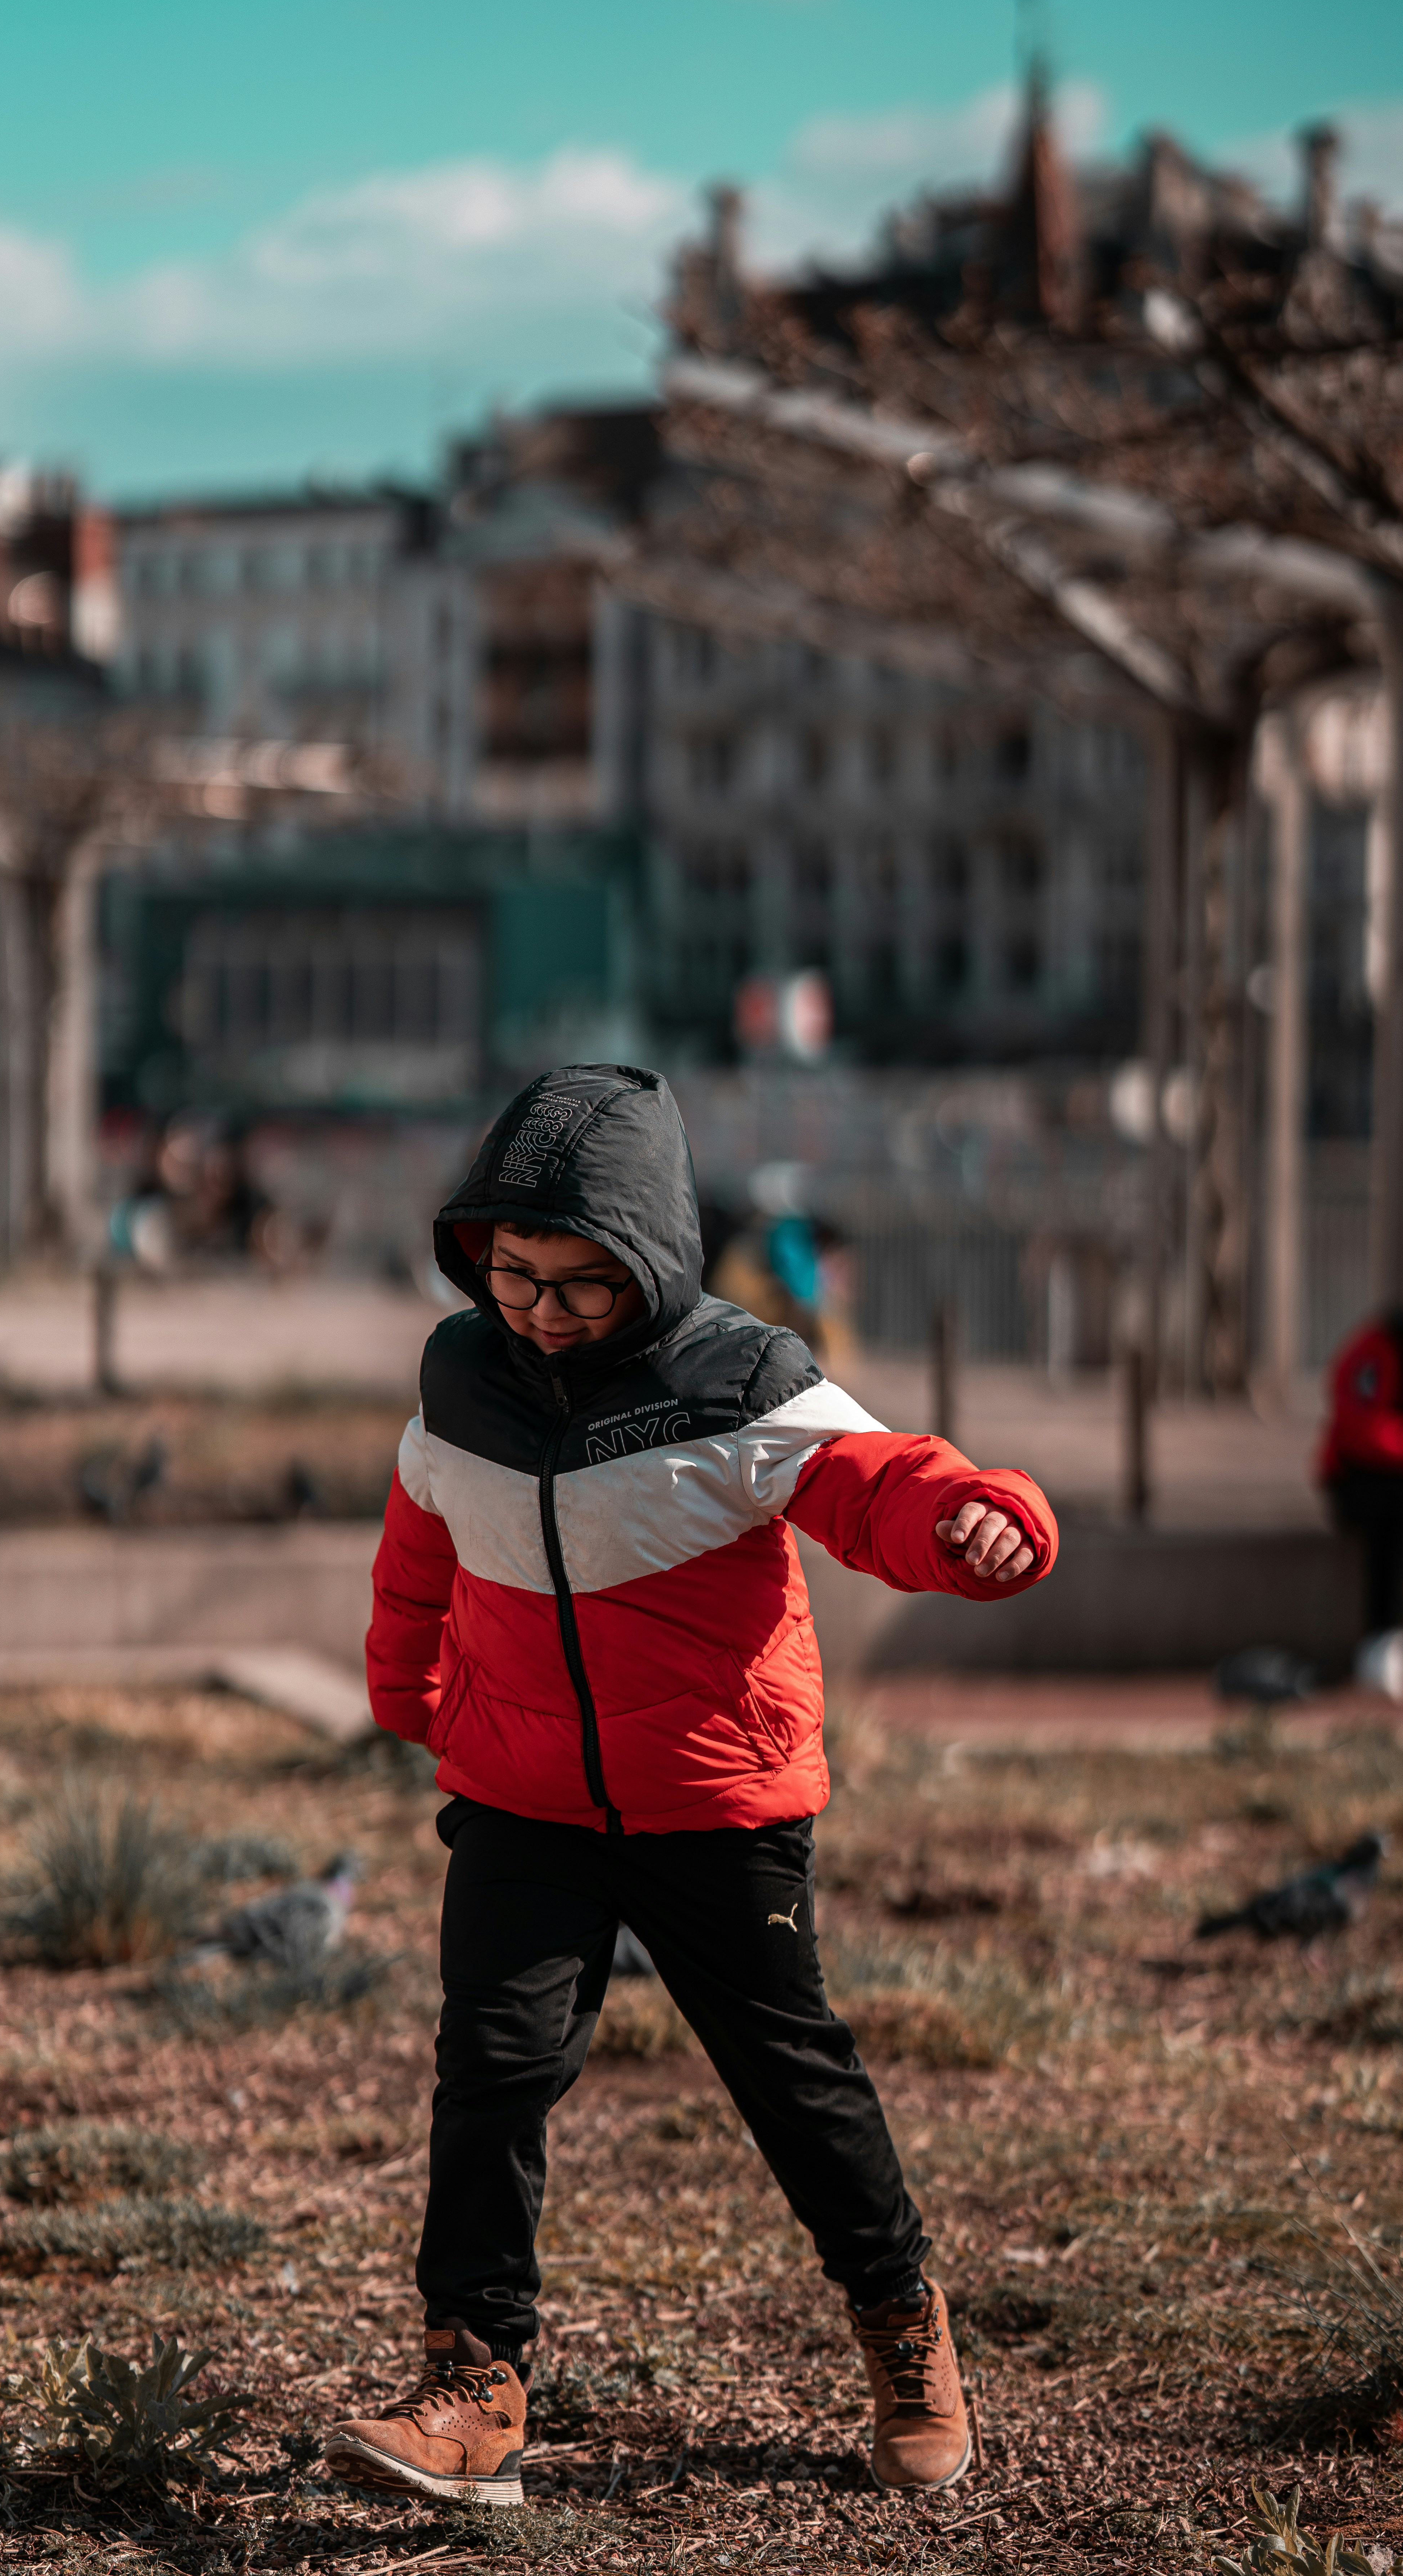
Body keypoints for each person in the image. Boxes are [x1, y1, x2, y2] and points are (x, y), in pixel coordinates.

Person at [326, 1065, 1057, 2508]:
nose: (538, 1310)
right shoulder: (458, 1375)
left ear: (649, 1261)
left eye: (579, 1285)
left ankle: (900, 2317)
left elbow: (876, 1481)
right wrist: (406, 1691)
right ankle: (473, 2382)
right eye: (511, 1274)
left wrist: (980, 1516)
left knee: (792, 2081)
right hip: (520, 1794)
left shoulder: (738, 1376)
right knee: (490, 2067)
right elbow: (422, 1538)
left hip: (715, 1799)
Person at [1320, 1312, 1403, 1634]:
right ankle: (1384, 1636)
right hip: (1359, 1478)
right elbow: (1360, 1430)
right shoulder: (1377, 1348)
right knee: (1392, 1520)